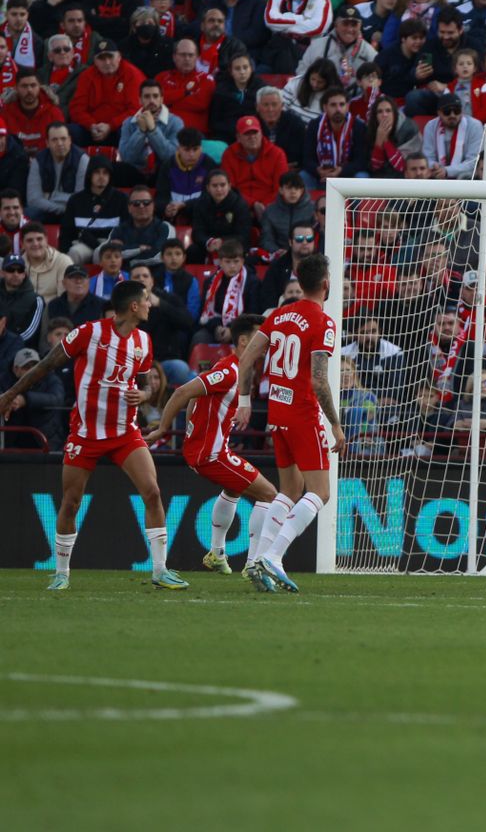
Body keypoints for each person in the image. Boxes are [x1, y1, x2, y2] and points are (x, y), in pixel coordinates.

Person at [0, 280, 189, 589]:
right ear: (133, 306)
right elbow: (48, 364)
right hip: (86, 433)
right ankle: (62, 573)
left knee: (153, 492)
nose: (150, 305)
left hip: (125, 432)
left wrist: (142, 395)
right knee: (72, 501)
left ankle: (159, 570)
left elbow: (144, 383)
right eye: (146, 301)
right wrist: (9, 394)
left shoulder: (143, 340)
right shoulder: (90, 333)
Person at [145, 313, 284, 584]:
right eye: (261, 336)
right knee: (269, 494)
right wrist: (163, 428)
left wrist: (194, 430)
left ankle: (217, 553)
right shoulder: (230, 370)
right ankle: (254, 564)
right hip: (210, 454)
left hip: (211, 451)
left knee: (234, 488)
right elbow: (182, 392)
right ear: (244, 340)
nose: (266, 343)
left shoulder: (237, 369)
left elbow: (197, 398)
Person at [235, 254, 345, 594]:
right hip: (301, 414)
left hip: (277, 412)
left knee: (289, 491)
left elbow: (248, 357)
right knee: (320, 492)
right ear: (326, 284)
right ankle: (274, 556)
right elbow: (318, 380)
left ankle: (257, 559)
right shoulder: (322, 322)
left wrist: (243, 400)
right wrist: (336, 426)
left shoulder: (279, 315)